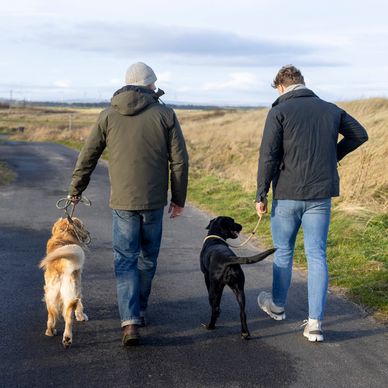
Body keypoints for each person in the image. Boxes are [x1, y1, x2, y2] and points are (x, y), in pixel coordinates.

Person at [67, 62, 189, 346]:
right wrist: (179, 199)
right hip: (154, 200)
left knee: (125, 259)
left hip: (122, 201)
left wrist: (76, 188)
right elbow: (180, 161)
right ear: (149, 85)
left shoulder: (108, 114)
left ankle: (130, 320)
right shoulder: (165, 114)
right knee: (147, 257)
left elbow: (88, 155)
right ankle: (139, 310)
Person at [255, 65, 368, 342]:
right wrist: (333, 156)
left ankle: (278, 306)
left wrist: (261, 193)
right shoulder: (330, 109)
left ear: (281, 87)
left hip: (287, 195)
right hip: (319, 195)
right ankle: (315, 324)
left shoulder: (279, 111)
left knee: (284, 252)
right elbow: (360, 134)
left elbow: (268, 156)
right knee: (316, 255)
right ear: (303, 83)